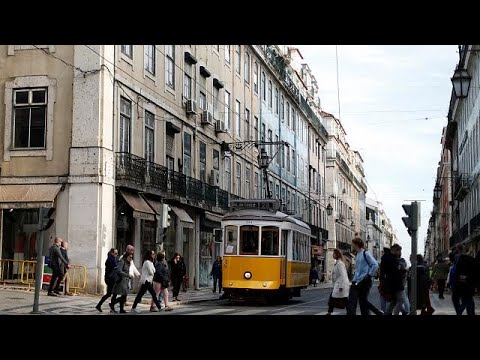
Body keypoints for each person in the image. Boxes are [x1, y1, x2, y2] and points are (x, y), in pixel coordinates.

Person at [347, 237, 383, 315]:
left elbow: (375, 265)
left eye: (353, 244)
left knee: (362, 300)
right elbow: (358, 270)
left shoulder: (365, 253)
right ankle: (375, 313)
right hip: (358, 281)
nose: (352, 245)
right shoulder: (357, 255)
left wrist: (369, 275)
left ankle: (378, 312)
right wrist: (354, 280)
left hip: (365, 281)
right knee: (360, 300)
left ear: (356, 244)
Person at [385, 244, 410, 315]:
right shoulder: (395, 260)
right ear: (396, 251)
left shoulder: (396, 260)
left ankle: (388, 312)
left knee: (395, 300)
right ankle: (406, 312)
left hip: (395, 283)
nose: (401, 253)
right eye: (400, 251)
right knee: (402, 299)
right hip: (397, 283)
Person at [327, 249, 350, 315]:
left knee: (334, 298)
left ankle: (329, 312)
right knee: (342, 299)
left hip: (340, 284)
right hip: (338, 284)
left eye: (334, 253)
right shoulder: (337, 263)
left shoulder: (340, 264)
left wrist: (341, 286)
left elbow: (343, 275)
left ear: (337, 255)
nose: (332, 255)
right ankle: (330, 311)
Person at [95, 248, 118, 312]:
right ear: (112, 253)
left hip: (111, 278)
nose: (117, 255)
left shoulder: (113, 259)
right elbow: (114, 267)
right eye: (116, 253)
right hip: (110, 279)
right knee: (111, 293)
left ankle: (100, 305)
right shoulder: (110, 260)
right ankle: (110, 307)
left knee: (111, 293)